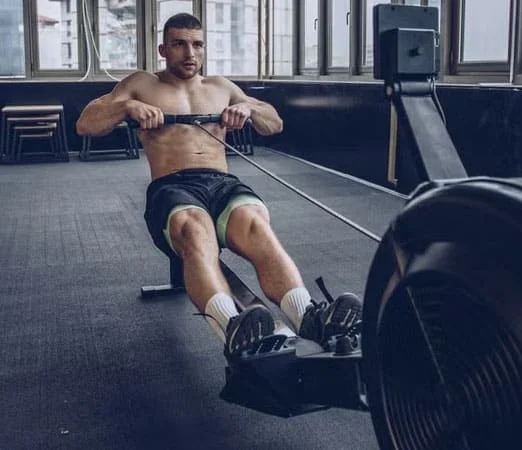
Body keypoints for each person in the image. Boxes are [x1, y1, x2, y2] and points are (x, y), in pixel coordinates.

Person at [76, 13, 361, 362]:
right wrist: (128, 106)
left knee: (256, 223)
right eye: (179, 44)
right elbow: (86, 124)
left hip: (222, 183)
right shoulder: (141, 83)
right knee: (196, 232)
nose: (189, 53)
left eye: (197, 44)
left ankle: (310, 317)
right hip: (173, 186)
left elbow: (274, 124)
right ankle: (232, 327)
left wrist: (248, 108)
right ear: (163, 49)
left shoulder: (220, 87)